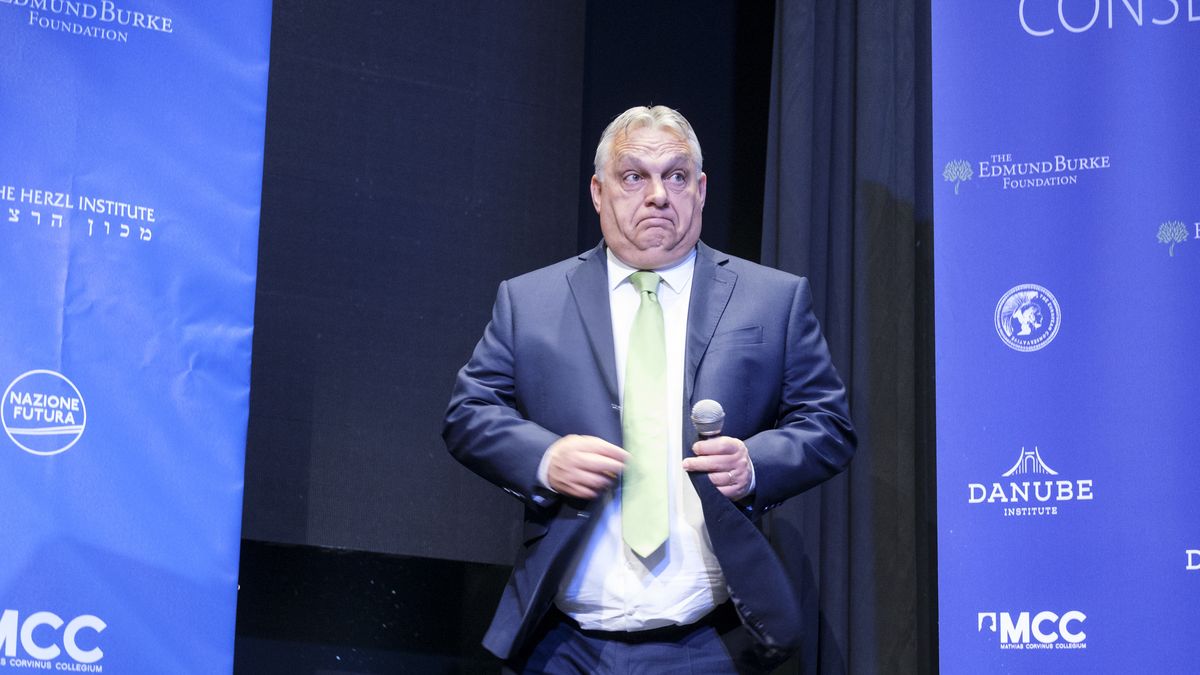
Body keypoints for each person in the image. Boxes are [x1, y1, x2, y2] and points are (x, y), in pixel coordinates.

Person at [443, 105, 855, 673]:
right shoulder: (530, 301)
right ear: (599, 192)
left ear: (701, 190)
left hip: (706, 642)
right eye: (634, 176)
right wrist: (545, 459)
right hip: (561, 644)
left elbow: (828, 425)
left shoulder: (772, 299)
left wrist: (754, 465)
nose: (658, 196)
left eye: (676, 176)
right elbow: (468, 413)